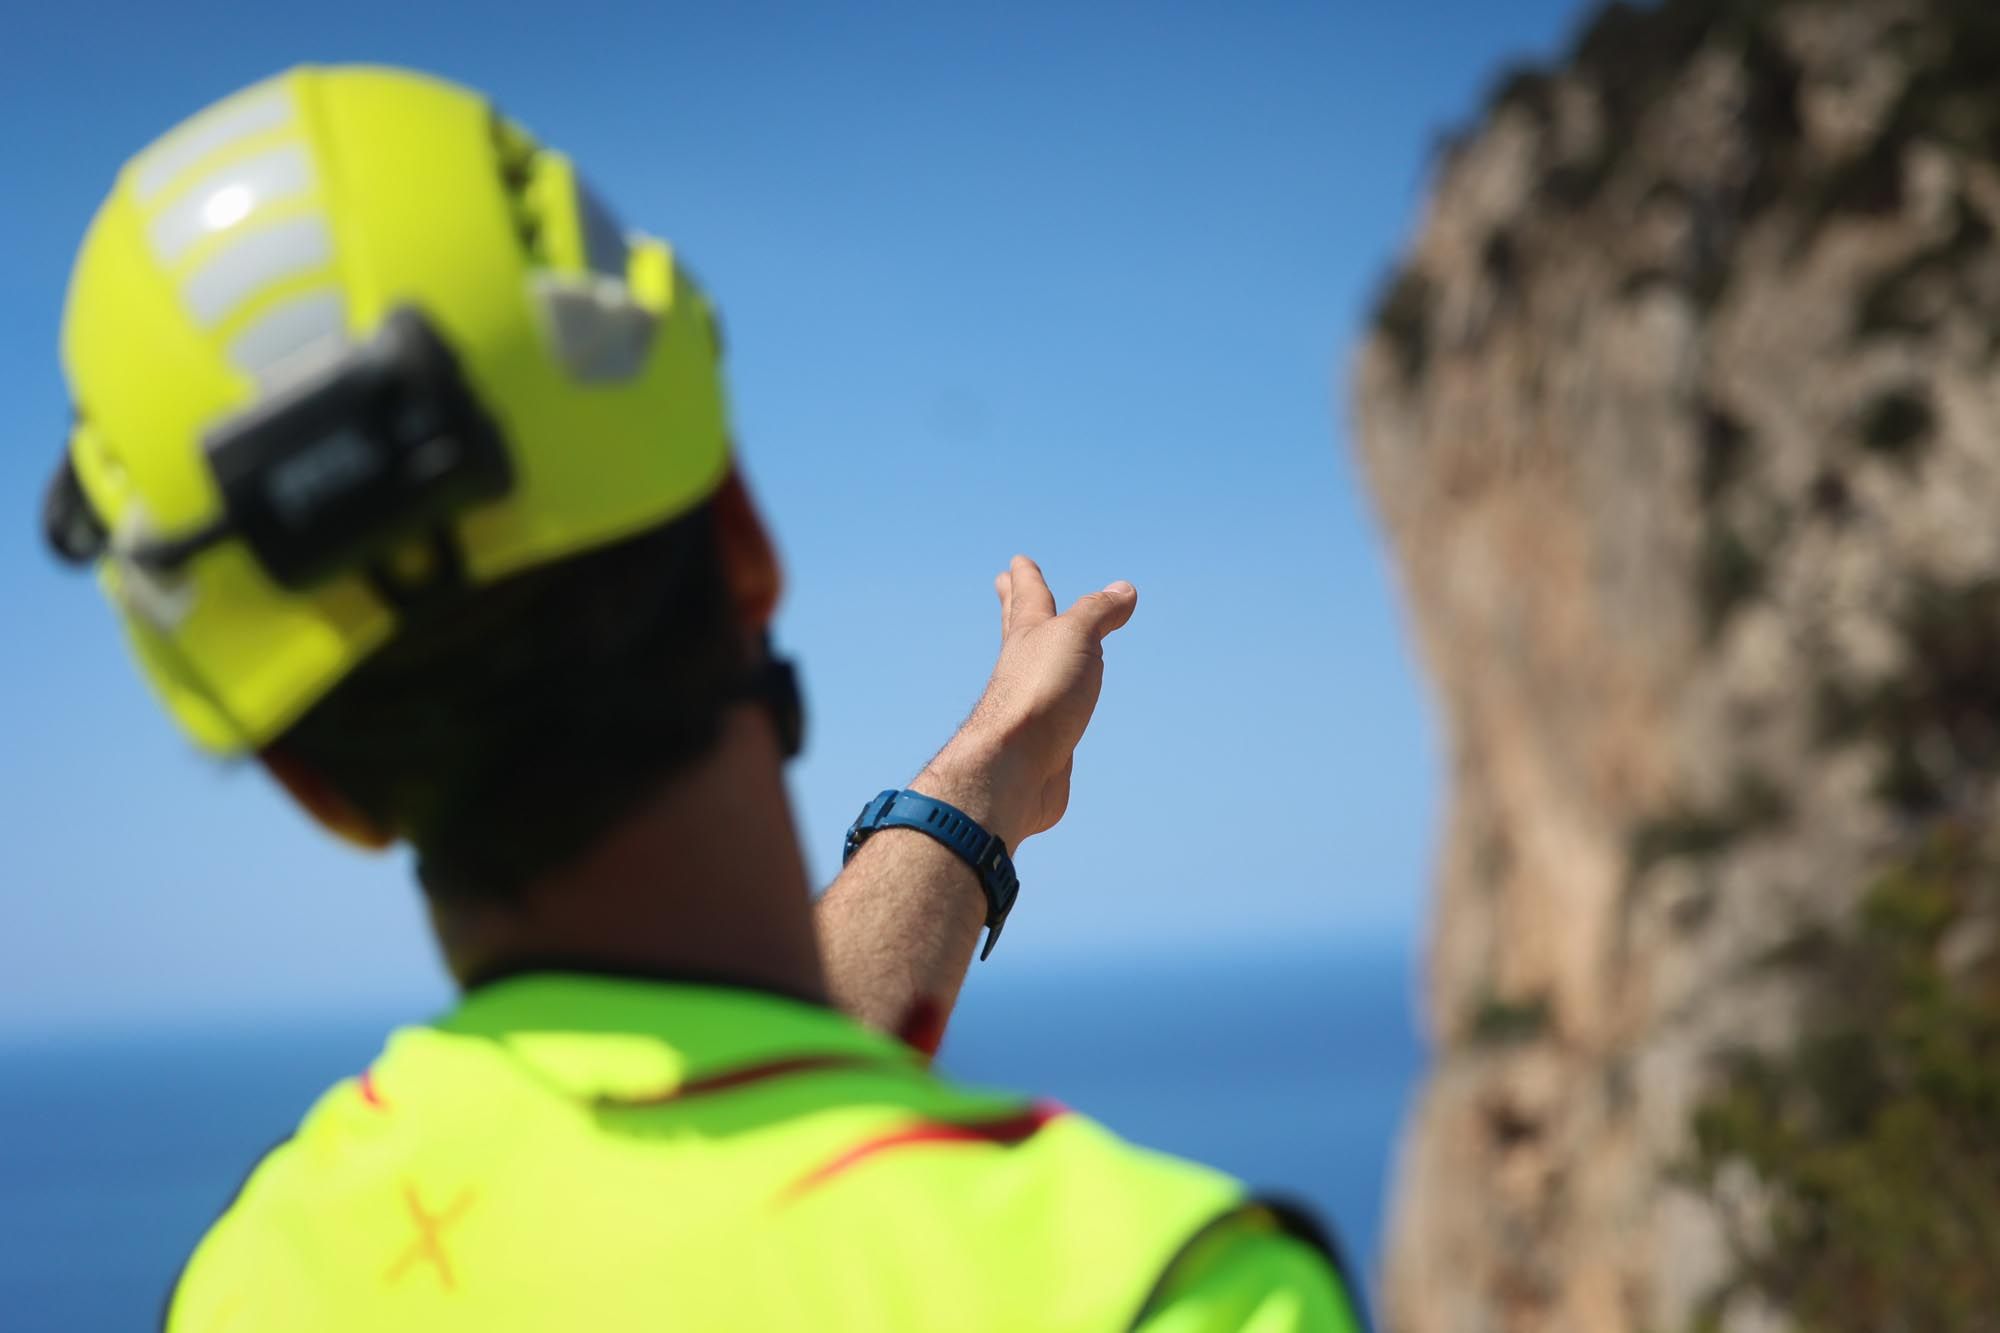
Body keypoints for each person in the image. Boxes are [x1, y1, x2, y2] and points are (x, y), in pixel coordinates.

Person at [42, 64, 1366, 1331]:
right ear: (746, 540)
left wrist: (988, 780)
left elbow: (713, 1121)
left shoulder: (260, 1275)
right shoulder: (1163, 1290)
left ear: (306, 779)